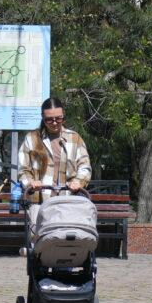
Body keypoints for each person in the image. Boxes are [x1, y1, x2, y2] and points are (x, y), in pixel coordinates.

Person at [18, 96, 92, 233]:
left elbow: (85, 166)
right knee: (39, 239)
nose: (54, 123)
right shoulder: (32, 138)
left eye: (58, 118)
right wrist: (31, 182)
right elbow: (23, 169)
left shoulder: (74, 138)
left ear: (63, 116)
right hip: (40, 201)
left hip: (68, 200)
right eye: (49, 119)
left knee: (66, 239)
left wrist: (78, 182)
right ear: (42, 117)